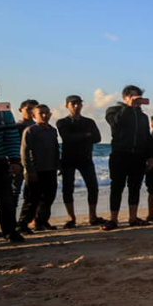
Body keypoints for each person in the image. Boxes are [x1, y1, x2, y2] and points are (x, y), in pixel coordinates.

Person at [103, 85, 153, 231]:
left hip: (138, 156)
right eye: (131, 96)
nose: (135, 99)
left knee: (135, 187)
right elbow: (116, 123)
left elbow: (146, 137)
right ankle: (113, 219)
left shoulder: (143, 117)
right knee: (117, 187)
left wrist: (149, 156)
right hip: (119, 154)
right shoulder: (113, 110)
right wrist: (128, 106)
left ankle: (133, 217)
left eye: (137, 96)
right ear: (125, 97)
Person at [56, 95, 104, 227]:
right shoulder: (62, 122)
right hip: (68, 159)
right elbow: (67, 138)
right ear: (67, 106)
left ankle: (92, 216)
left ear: (82, 105)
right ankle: (71, 218)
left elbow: (97, 138)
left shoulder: (89, 121)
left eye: (79, 103)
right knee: (67, 188)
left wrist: (80, 136)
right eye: (73, 104)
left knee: (93, 187)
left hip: (86, 159)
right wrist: (86, 135)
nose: (76, 106)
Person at [18, 105, 60, 232]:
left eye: (47, 113)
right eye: (41, 113)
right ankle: (23, 224)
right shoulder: (30, 130)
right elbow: (24, 152)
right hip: (35, 171)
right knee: (32, 199)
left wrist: (58, 164)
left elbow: (55, 149)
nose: (44, 115)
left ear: (51, 114)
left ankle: (41, 222)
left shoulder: (52, 130)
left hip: (50, 169)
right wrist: (30, 170)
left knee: (48, 198)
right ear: (34, 116)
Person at [0, 85, 24, 242]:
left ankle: (9, 231)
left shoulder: (3, 113)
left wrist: (14, 161)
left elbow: (12, 137)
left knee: (6, 200)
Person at [11, 99, 37, 216]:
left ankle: (33, 219)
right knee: (14, 191)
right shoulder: (17, 126)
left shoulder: (38, 126)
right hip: (19, 162)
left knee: (35, 192)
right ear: (20, 110)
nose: (31, 112)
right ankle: (11, 219)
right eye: (28, 109)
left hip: (36, 163)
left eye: (33, 109)